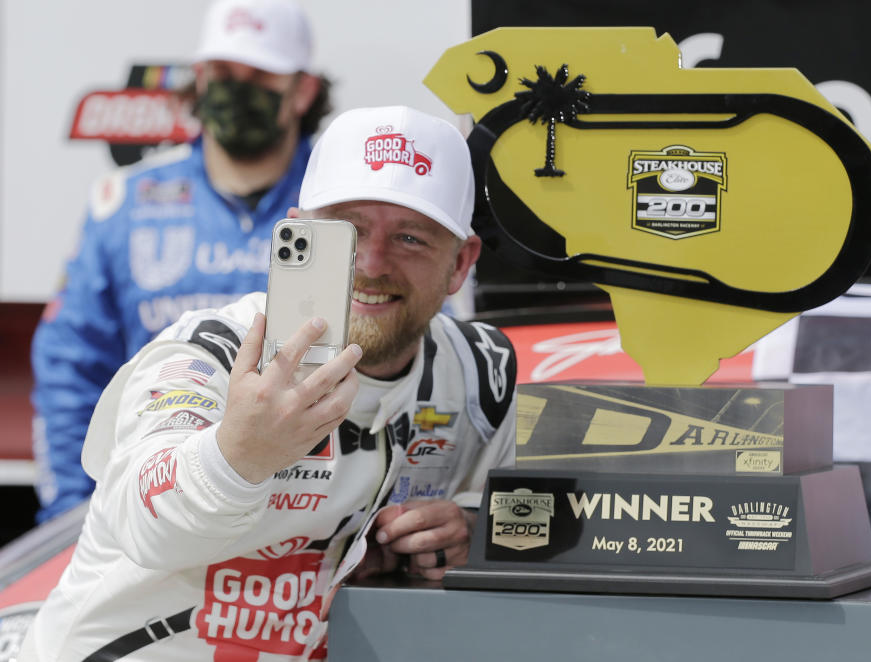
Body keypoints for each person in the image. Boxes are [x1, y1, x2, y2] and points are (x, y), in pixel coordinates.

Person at [19, 105, 518, 661]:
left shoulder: (480, 373)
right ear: (297, 232)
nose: (373, 262)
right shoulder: (209, 354)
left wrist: (471, 534)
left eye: (411, 238)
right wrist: (237, 455)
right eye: (348, 229)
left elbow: (521, 531)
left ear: (461, 264)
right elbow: (143, 524)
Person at [31, 0, 331, 523]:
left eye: (260, 76)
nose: (237, 90)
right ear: (199, 77)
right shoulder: (126, 202)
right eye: (222, 73)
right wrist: (72, 515)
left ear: (303, 90)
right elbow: (69, 368)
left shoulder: (340, 204)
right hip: (147, 500)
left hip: (304, 506)